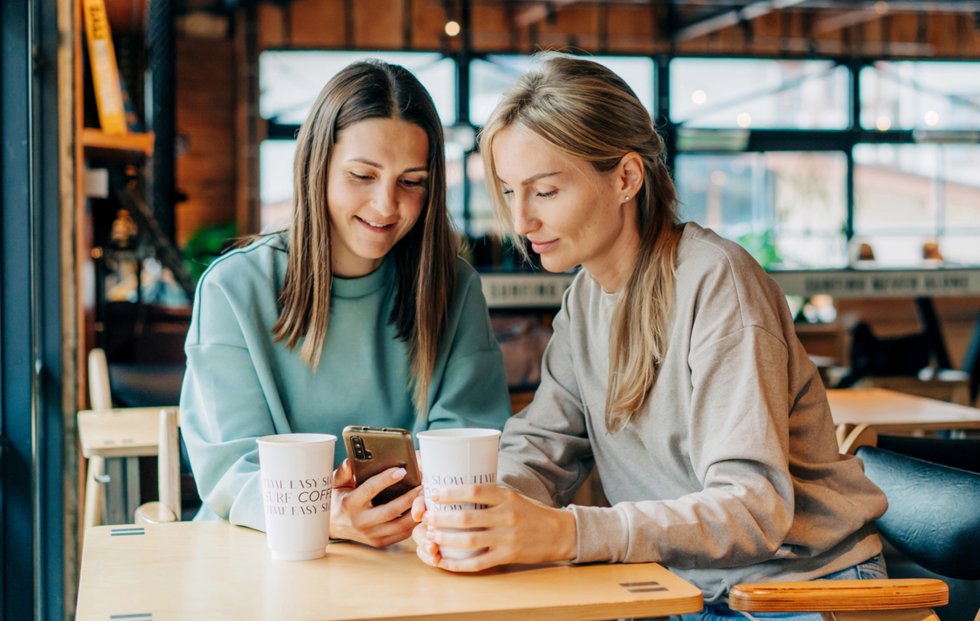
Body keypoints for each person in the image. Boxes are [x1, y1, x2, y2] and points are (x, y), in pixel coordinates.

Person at [411, 55, 888, 618]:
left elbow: (754, 510)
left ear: (626, 178)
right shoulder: (585, 300)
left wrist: (569, 533)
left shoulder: (716, 282)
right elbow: (541, 449)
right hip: (684, 586)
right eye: (511, 192)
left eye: (545, 191)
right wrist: (474, 509)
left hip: (798, 590)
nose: (521, 221)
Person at [180, 60, 510, 548]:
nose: (386, 205)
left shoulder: (454, 287)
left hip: (411, 550)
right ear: (317, 167)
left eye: (411, 181)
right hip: (260, 548)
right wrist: (325, 515)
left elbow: (466, 443)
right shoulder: (233, 287)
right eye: (362, 175)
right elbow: (232, 469)